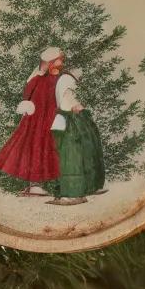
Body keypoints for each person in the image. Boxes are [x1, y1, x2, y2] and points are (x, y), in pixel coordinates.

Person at [0, 46, 64, 195]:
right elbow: (29, 95)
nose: (60, 64)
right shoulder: (39, 79)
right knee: (35, 146)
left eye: (60, 61)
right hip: (37, 120)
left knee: (46, 147)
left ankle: (43, 184)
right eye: (57, 61)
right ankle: (35, 184)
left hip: (48, 118)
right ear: (49, 62)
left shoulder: (56, 79)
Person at [51, 67, 105, 203]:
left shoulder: (68, 79)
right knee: (71, 156)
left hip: (73, 119)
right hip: (69, 122)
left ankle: (86, 189)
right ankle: (71, 194)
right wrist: (78, 107)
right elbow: (69, 103)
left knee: (83, 152)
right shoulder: (66, 80)